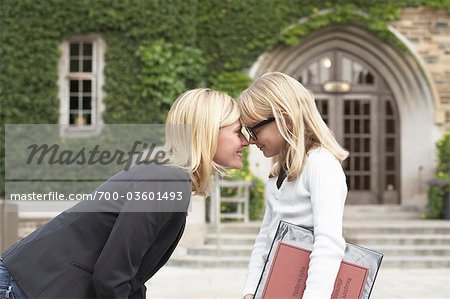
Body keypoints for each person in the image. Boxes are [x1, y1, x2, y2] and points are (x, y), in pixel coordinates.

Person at [0, 88, 249, 298]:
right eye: (237, 131)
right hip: (24, 287)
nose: (246, 141)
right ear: (208, 131)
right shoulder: (168, 181)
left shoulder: (166, 174)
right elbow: (112, 277)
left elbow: (129, 279)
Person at [238, 72, 349, 299]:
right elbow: (264, 237)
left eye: (254, 130)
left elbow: (328, 242)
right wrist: (251, 290)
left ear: (285, 120)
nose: (250, 140)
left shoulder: (320, 164)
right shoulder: (278, 171)